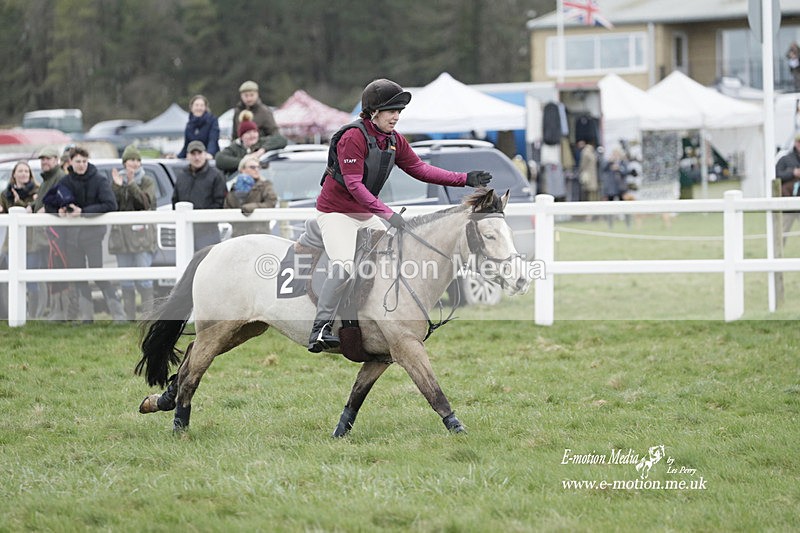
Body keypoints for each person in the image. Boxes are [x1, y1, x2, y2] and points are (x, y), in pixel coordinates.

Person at [307, 78, 493, 353]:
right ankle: (319, 329)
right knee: (345, 265)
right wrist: (387, 213)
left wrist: (464, 179)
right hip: (336, 213)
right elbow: (355, 185)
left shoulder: (393, 140)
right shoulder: (352, 138)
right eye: (391, 111)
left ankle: (372, 320)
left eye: (399, 111)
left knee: (390, 258)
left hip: (363, 211)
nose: (396, 116)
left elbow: (420, 169)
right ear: (373, 112)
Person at [44, 146, 125, 323]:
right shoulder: (65, 182)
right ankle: (86, 317)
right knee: (79, 276)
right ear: (70, 162)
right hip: (72, 238)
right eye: (77, 161)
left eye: (84, 161)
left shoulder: (99, 179)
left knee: (98, 273)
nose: (81, 165)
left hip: (93, 235)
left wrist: (83, 212)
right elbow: (49, 203)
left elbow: (110, 204)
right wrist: (60, 211)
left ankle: (119, 315)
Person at [109, 145, 157, 320]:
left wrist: (131, 184)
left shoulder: (147, 181)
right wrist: (117, 187)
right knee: (126, 280)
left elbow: (146, 203)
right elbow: (113, 205)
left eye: (137, 160)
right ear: (124, 163)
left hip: (142, 237)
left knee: (144, 278)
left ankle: (148, 317)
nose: (135, 164)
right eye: (131, 160)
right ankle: (129, 317)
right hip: (121, 239)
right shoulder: (116, 181)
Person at [0, 161, 46, 317]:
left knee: (31, 279)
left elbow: (31, 209)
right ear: (14, 174)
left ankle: (33, 316)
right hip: (11, 243)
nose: (24, 174)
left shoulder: (38, 191)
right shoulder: (6, 194)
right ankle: (13, 314)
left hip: (32, 242)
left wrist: (19, 202)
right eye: (20, 171)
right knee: (9, 279)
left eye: (26, 171)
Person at [32, 146, 68, 319]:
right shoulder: (46, 180)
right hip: (45, 236)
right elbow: (41, 202)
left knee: (57, 271)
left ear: (56, 160)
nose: (44, 162)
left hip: (55, 235)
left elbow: (59, 200)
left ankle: (61, 311)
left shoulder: (60, 177)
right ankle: (54, 310)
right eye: (42, 159)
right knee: (48, 272)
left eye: (48, 158)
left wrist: (44, 209)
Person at [172, 140, 227, 250]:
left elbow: (220, 203)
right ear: (188, 156)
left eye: (199, 153)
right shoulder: (181, 176)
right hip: (186, 231)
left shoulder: (216, 175)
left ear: (205, 154)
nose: (197, 157)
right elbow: (175, 201)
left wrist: (201, 217)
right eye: (193, 154)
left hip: (208, 232)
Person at [215, 111, 285, 176]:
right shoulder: (234, 148)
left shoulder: (262, 142)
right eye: (248, 133)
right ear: (241, 137)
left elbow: (281, 140)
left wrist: (262, 150)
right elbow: (219, 159)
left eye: (254, 132)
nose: (252, 135)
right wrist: (246, 162)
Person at [224, 154, 277, 237]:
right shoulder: (234, 187)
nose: (256, 170)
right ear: (242, 169)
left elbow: (271, 203)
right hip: (239, 234)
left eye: (258, 167)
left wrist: (251, 207)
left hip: (260, 234)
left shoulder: (265, 185)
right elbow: (227, 209)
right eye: (252, 167)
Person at [776, 133, 800, 241]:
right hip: (788, 203)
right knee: (781, 234)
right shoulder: (785, 159)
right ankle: (776, 257)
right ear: (795, 143)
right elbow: (777, 175)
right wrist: (792, 173)